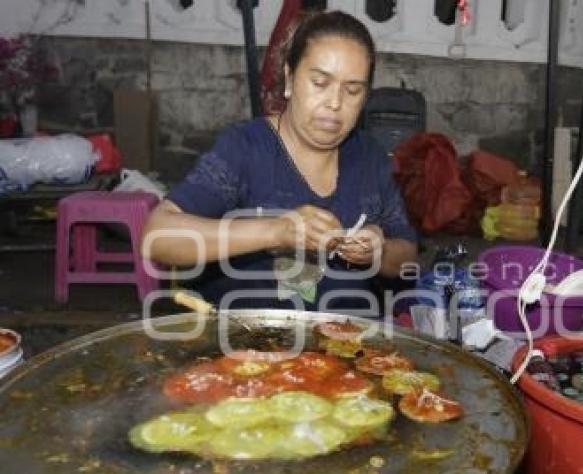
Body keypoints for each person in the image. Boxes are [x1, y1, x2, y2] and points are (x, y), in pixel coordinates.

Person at [142, 10, 417, 313]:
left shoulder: (369, 158)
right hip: (245, 348)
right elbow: (158, 235)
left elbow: (407, 257)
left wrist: (380, 252)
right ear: (289, 78)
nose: (335, 103)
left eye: (352, 90)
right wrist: (277, 231)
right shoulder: (246, 149)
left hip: (347, 346)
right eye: (319, 83)